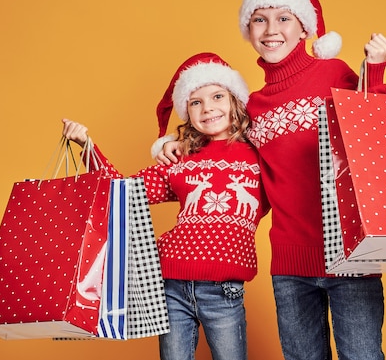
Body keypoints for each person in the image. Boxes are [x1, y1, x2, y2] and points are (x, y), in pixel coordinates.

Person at [157, 0, 386, 360]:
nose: (271, 30)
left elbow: (376, 130)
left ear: (304, 27)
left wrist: (376, 69)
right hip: (289, 265)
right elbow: (222, 152)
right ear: (248, 30)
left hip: (351, 254)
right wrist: (173, 143)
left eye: (284, 18)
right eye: (259, 19)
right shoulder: (254, 107)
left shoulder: (333, 74)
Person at [63, 52, 269, 360]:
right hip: (170, 284)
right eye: (196, 102)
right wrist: (86, 147)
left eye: (216, 96)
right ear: (187, 111)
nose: (208, 107)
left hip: (224, 290)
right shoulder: (180, 158)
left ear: (235, 100)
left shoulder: (261, 154)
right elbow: (125, 192)